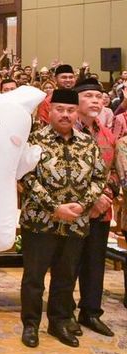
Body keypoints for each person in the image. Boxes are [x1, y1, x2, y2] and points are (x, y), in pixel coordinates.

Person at [19, 89, 105, 348]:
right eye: (60, 109)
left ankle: (58, 322)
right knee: (34, 278)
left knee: (65, 278)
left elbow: (99, 177)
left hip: (76, 223)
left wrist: (82, 204)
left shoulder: (87, 143)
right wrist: (54, 207)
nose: (65, 115)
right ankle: (30, 325)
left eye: (70, 110)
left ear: (76, 113)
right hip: (39, 222)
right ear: (50, 109)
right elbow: (26, 177)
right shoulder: (34, 140)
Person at [71, 78, 118, 337]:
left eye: (99, 97)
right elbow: (64, 176)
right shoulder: (68, 131)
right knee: (68, 264)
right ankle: (65, 313)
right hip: (74, 210)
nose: (95, 101)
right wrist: (91, 201)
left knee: (94, 264)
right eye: (89, 96)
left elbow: (112, 173)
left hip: (101, 211)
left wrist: (106, 196)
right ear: (76, 100)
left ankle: (90, 312)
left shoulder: (106, 132)